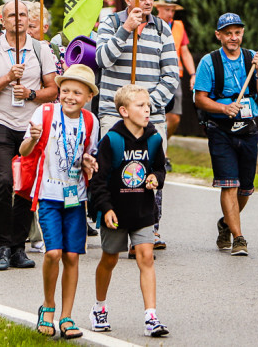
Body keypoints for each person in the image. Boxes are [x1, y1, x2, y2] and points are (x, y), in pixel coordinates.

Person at [0, 0, 59, 271]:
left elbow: (53, 89)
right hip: (0, 123)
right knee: (4, 181)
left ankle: (18, 248)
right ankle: (2, 246)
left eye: (23, 14)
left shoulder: (40, 49)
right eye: (13, 15)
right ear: (2, 19)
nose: (19, 19)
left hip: (30, 127)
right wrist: (8, 78)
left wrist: (31, 94)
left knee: (24, 186)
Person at [95, 0, 178, 250]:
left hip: (150, 116)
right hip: (113, 112)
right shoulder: (111, 23)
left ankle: (149, 229)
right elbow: (102, 60)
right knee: (114, 170)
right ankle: (113, 220)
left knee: (153, 170)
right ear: (128, 0)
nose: (148, 2)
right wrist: (126, 30)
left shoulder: (163, 29)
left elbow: (171, 75)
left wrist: (144, 106)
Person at [18, 64, 98, 339]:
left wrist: (88, 161)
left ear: (88, 96)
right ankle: (48, 306)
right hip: (48, 194)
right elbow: (24, 149)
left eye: (77, 92)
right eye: (65, 90)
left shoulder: (91, 121)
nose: (70, 96)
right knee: (53, 253)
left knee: (72, 256)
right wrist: (34, 139)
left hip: (75, 197)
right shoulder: (45, 112)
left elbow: (89, 156)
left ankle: (67, 316)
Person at [87, 84, 169, 338]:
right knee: (110, 258)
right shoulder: (111, 140)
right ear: (124, 111)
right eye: (141, 106)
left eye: (148, 106)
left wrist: (156, 177)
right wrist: (106, 209)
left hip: (143, 209)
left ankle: (151, 316)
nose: (147, 110)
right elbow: (97, 181)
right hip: (116, 210)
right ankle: (99, 308)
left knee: (146, 257)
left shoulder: (155, 139)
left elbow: (160, 167)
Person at [193, 13, 258, 256]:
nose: (233, 37)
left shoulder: (252, 58)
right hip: (220, 129)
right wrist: (223, 108)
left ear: (242, 33)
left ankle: (226, 223)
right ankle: (238, 237)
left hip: (248, 128)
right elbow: (200, 98)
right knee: (229, 183)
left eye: (237, 32)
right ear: (219, 35)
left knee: (245, 188)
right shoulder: (209, 62)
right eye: (228, 33)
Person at [153, 0, 195, 142]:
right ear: (158, 7)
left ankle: (161, 145)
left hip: (175, 76)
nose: (170, 13)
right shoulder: (150, 24)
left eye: (172, 10)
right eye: (167, 9)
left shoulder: (178, 26)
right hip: (154, 74)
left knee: (174, 118)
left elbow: (185, 52)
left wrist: (193, 75)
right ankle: (160, 152)